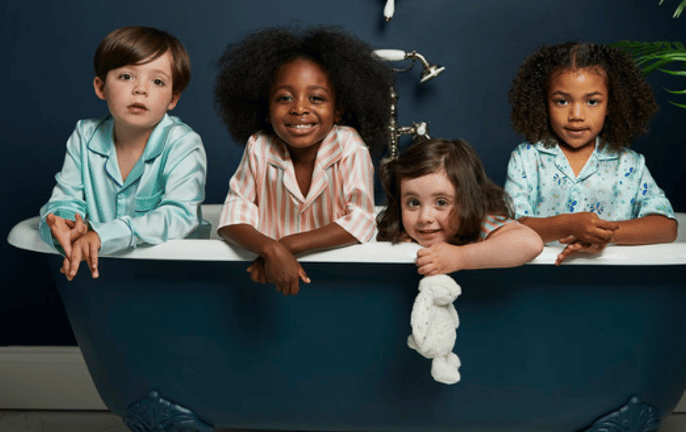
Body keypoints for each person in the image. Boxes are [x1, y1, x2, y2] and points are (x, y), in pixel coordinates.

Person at [214, 24, 393, 295]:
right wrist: (270, 249)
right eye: (284, 97)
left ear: (339, 110)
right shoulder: (259, 146)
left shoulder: (349, 146)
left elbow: (361, 222)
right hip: (264, 289)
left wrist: (285, 246)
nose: (299, 108)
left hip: (342, 283)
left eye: (316, 98)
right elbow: (231, 218)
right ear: (265, 109)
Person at [39, 26, 207, 280]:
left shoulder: (183, 143)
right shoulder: (85, 136)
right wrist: (64, 224)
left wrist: (103, 235)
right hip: (107, 277)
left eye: (157, 81)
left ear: (173, 99)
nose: (141, 89)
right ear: (101, 87)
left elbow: (180, 215)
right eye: (127, 76)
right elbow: (67, 197)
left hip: (174, 276)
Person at [504, 41, 677, 265]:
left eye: (592, 101)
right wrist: (568, 225)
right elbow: (512, 227)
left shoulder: (629, 164)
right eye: (562, 101)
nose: (576, 114)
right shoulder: (526, 159)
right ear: (542, 103)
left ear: (612, 105)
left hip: (616, 284)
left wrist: (602, 234)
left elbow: (667, 226)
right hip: (541, 282)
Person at [377, 138, 543, 275]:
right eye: (413, 203)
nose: (424, 218)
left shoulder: (481, 222)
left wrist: (459, 258)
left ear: (468, 200)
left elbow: (531, 243)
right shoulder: (406, 228)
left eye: (441, 203)